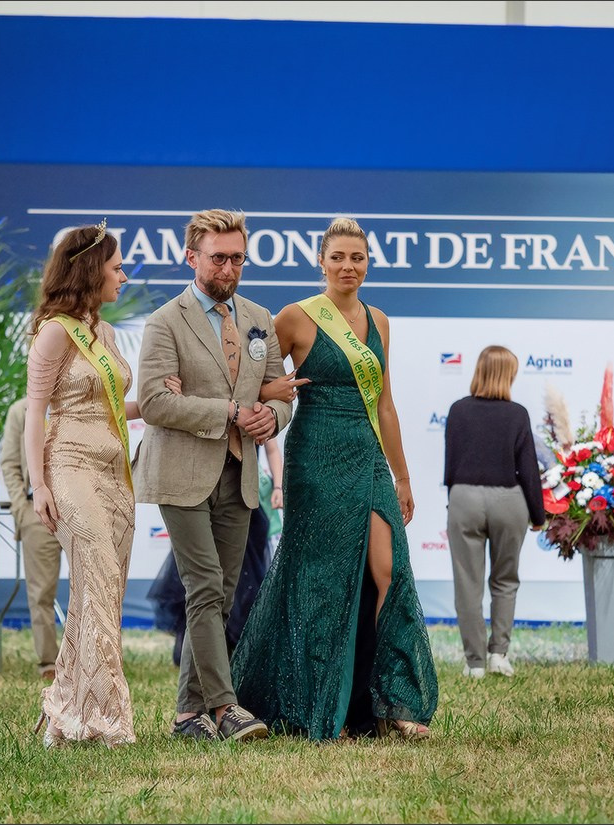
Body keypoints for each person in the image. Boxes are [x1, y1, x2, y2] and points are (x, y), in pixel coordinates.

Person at [230, 216, 438, 741]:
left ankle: (389, 704)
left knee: (388, 572)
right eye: (338, 257)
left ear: (369, 263)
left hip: (366, 456)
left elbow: (385, 405)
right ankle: (323, 706)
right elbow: (249, 381)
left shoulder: (381, 320)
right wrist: (272, 392)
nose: (349, 266)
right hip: (316, 458)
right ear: (321, 262)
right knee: (321, 580)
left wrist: (403, 478)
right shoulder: (295, 317)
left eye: (358, 257)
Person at [133, 208, 293, 743]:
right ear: (191, 256)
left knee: (222, 595)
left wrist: (273, 417)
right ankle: (226, 709)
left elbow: (279, 390)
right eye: (218, 257)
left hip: (241, 472)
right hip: (181, 472)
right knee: (204, 589)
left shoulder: (258, 317)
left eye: (238, 258)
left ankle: (186, 715)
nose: (229, 267)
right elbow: (155, 403)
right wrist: (229, 410)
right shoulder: (164, 321)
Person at [27, 219, 141, 748]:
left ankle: (66, 713)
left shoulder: (107, 332)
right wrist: (38, 485)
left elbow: (113, 408)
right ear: (92, 269)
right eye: (117, 267)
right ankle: (106, 720)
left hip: (116, 473)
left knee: (104, 591)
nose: (124, 275)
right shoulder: (55, 330)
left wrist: (162, 400)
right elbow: (35, 413)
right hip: (69, 468)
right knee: (94, 580)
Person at [444, 345, 546, 679]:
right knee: (505, 581)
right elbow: (528, 469)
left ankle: (474, 663)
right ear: (508, 375)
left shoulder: (457, 410)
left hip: (464, 497)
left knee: (467, 584)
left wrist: (455, 500)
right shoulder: (518, 414)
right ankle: (499, 655)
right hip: (509, 501)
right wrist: (539, 515)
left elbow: (452, 463)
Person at [147, 438, 284, 665]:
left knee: (242, 580)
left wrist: (278, 486)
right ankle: (196, 648)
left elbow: (271, 447)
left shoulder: (255, 411)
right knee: (200, 579)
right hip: (203, 497)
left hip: (246, 504)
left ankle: (237, 645)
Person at [0, 396, 64, 681]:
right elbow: (10, 463)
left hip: (81, 507)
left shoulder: (82, 401)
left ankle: (89, 659)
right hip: (36, 513)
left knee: (92, 591)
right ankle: (48, 662)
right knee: (41, 592)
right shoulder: (20, 410)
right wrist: (21, 508)